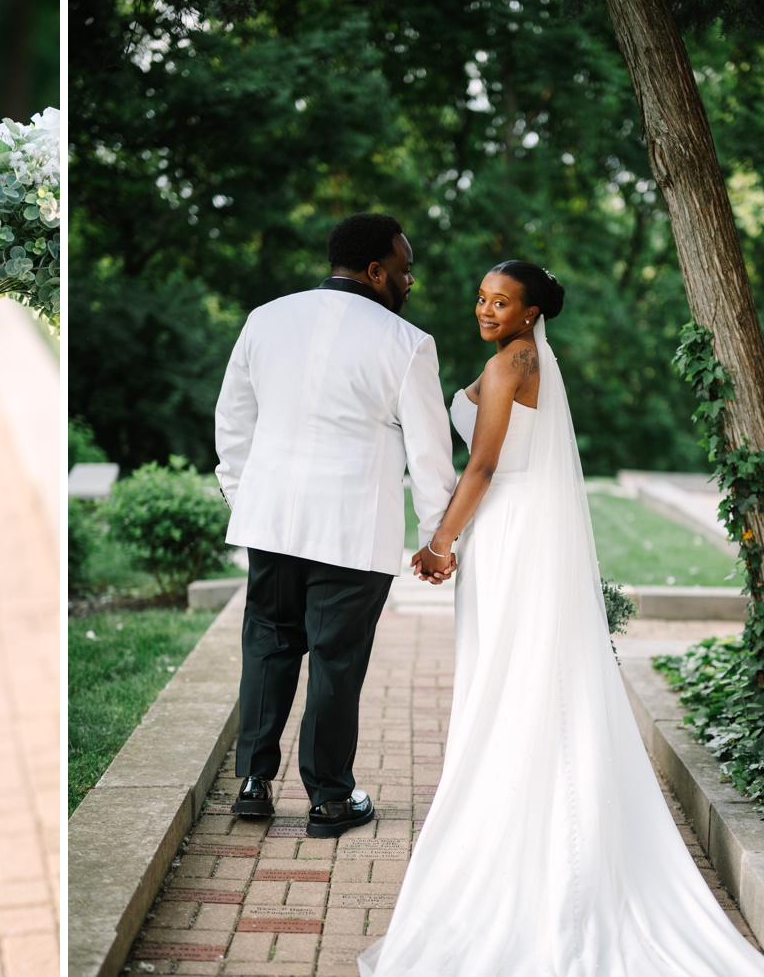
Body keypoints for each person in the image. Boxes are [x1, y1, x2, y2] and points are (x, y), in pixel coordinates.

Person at [360, 262, 764, 975]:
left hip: (506, 530)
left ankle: (529, 845)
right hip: (522, 529)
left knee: (508, 678)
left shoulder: (510, 363)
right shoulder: (529, 359)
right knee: (528, 676)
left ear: (532, 312)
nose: (485, 309)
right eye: (481, 297)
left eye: (502, 302)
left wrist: (439, 543)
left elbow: (483, 467)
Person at [214, 212, 457, 835]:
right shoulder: (407, 343)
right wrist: (437, 538)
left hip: (271, 522)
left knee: (268, 644)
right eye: (404, 269)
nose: (410, 281)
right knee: (335, 660)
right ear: (376, 271)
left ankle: (253, 784)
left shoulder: (266, 318)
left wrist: (243, 496)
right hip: (352, 529)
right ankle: (327, 800)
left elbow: (233, 419)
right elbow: (430, 455)